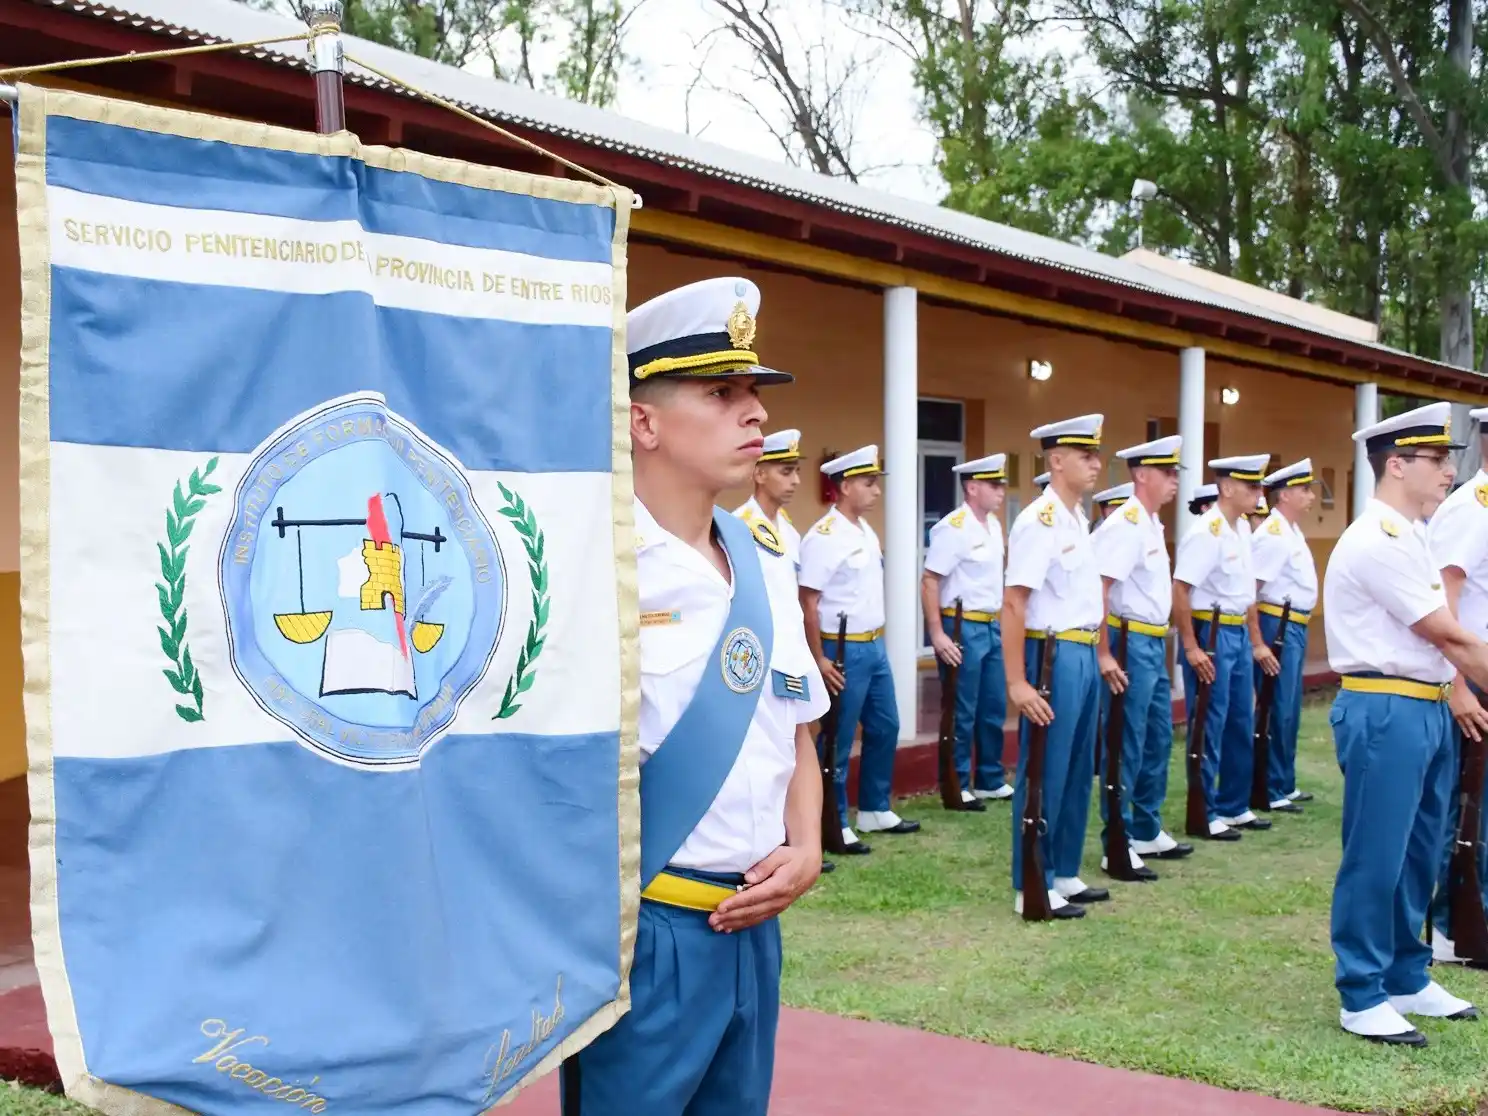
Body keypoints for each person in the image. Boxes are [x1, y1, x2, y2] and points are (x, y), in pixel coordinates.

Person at [561, 276, 830, 1114]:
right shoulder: (592, 567)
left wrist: (809, 846)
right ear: (643, 421)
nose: (755, 413)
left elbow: (797, 734)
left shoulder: (766, 563)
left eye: (753, 392)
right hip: (650, 936)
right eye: (722, 393)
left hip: (756, 930)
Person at [1325, 400, 1485, 1046]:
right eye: (1437, 459)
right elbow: (1448, 633)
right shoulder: (1377, 539)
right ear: (1397, 465)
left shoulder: (1415, 533)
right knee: (1377, 854)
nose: (1449, 471)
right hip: (1385, 706)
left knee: (1420, 852)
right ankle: (1361, 992)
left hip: (1423, 702)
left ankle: (1405, 974)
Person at [1004, 414, 1114, 919]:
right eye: (1085, 455)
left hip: (1083, 650)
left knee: (1074, 769)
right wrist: (1017, 681)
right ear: (1056, 461)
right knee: (1045, 768)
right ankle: (1033, 881)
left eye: (1096, 454)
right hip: (1052, 656)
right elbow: (1014, 603)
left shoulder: (1076, 519)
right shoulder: (1040, 520)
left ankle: (1064, 870)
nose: (1096, 463)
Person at [799, 445, 920, 850]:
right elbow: (808, 601)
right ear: (846, 486)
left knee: (886, 725)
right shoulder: (825, 536)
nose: (876, 491)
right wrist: (818, 657)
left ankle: (874, 807)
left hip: (873, 643)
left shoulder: (865, 531)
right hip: (841, 646)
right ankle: (831, 818)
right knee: (837, 736)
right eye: (869, 483)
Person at [1094, 436, 1192, 875]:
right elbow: (1100, 589)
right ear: (1141, 475)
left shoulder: (1151, 524)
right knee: (1125, 742)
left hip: (1153, 641)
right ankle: (1116, 838)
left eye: (1176, 473)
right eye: (1168, 473)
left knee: (1156, 737)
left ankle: (1147, 829)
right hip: (1129, 642)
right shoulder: (1126, 524)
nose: (1174, 481)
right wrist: (1103, 653)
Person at [1173, 454, 1279, 841]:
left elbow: (1247, 592)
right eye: (1251, 487)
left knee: (1239, 717)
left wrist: (1255, 641)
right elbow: (1181, 589)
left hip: (1234, 631)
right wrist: (1191, 647)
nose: (1258, 494)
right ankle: (1205, 809)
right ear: (1227, 487)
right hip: (1211, 632)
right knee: (1209, 720)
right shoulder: (1208, 531)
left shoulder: (1242, 531)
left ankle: (1233, 804)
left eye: (1260, 486)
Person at [1425, 406, 1488, 967]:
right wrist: (1457, 684)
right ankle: (1452, 928)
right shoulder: (1472, 509)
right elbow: (1443, 598)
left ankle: (1474, 918)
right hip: (1468, 678)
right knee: (1465, 808)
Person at [921, 453, 1012, 811]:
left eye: (1002, 484)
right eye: (994, 485)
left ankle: (989, 778)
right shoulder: (953, 528)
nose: (1001, 491)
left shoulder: (993, 526)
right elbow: (930, 581)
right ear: (972, 487)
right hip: (961, 625)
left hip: (988, 624)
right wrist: (937, 634)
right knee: (962, 708)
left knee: (993, 706)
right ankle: (956, 783)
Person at [1250, 458, 1319, 814]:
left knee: (1289, 706)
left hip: (1293, 623)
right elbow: (1252, 590)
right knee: (1275, 706)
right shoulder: (1273, 535)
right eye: (1304, 489)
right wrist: (1258, 641)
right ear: (1285, 495)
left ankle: (1283, 781)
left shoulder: (1290, 530)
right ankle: (1270, 786)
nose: (1311, 496)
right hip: (1277, 622)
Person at [735, 428, 803, 575]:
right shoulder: (739, 527)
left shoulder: (789, 529)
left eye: (797, 471)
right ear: (759, 474)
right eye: (786, 472)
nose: (796, 481)